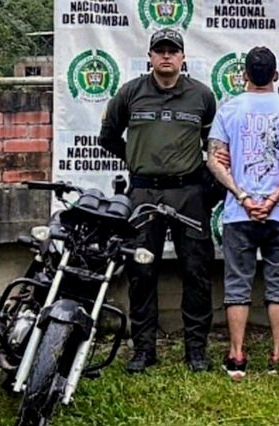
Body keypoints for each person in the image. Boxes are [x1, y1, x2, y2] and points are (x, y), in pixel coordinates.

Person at [98, 29, 217, 373]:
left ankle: (196, 351)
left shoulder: (202, 96)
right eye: (160, 51)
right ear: (150, 56)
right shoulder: (130, 93)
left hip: (189, 193)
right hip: (143, 193)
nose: (166, 56)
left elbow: (213, 144)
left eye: (172, 51)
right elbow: (108, 137)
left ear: (182, 58)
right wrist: (137, 159)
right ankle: (143, 349)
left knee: (196, 270)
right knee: (141, 271)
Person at [206, 46, 279, 381]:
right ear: (276, 75)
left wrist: (243, 196)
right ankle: (278, 353)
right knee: (278, 280)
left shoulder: (229, 109)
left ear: (244, 76)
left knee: (237, 283)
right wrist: (275, 197)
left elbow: (215, 160)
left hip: (239, 211)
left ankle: (236, 354)